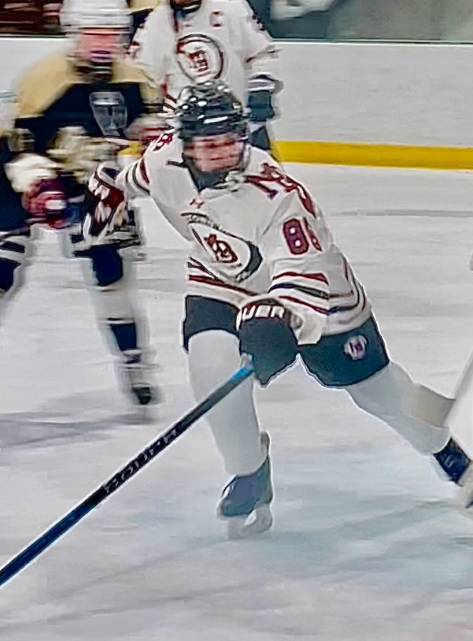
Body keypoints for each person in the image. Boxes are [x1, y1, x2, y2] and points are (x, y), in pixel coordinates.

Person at [85, 80, 472, 538]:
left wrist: (281, 319)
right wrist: (109, 189)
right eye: (209, 145)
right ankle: (249, 470)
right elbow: (130, 179)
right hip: (218, 280)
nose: (223, 154)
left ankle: (450, 455)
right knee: (211, 367)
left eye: (231, 142)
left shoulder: (278, 195)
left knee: (380, 393)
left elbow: (303, 275)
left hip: (320, 302)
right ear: (186, 146)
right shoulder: (164, 159)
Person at [0, 0, 158, 424]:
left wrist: (154, 131)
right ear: (73, 33)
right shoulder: (44, 79)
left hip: (89, 180)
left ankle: (135, 363)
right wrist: (40, 188)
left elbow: (136, 127)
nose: (105, 43)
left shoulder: (132, 77)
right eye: (95, 34)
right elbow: (19, 147)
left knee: (111, 268)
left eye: (113, 33)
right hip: (15, 181)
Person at [129, 0, 281, 154]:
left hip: (240, 119)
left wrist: (260, 92)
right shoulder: (158, 21)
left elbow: (261, 53)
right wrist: (152, 113)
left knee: (265, 182)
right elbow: (144, 72)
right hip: (188, 127)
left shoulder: (230, 7)